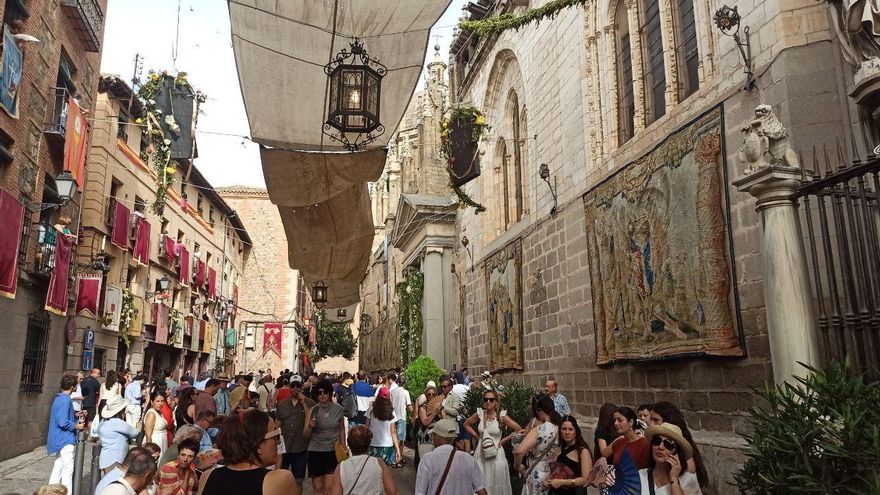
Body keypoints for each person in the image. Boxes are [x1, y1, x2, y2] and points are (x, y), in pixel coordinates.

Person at [198, 410, 297, 495]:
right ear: (257, 444)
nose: (278, 441)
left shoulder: (207, 477)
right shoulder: (280, 480)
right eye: (275, 435)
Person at [464, 388, 522, 495]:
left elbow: (518, 429)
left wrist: (504, 440)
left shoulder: (501, 416)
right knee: (481, 481)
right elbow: (466, 424)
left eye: (491, 399)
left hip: (496, 453)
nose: (488, 402)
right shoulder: (480, 414)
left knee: (497, 481)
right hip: (481, 453)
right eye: (485, 399)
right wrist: (477, 436)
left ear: (496, 402)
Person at [415, 418, 487, 495]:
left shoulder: (427, 459)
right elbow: (482, 491)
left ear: (437, 436)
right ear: (453, 439)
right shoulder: (468, 458)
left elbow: (420, 492)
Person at [326, 425, 398, 495]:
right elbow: (392, 492)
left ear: (349, 445)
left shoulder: (341, 467)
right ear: (368, 444)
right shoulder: (378, 463)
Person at [305, 380, 347, 494]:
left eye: (325, 392)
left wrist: (344, 446)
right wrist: (310, 426)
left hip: (332, 451)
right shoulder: (313, 410)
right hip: (316, 451)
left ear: (329, 393)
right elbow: (306, 435)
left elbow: (341, 429)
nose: (322, 395)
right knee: (318, 488)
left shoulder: (338, 409)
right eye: (319, 393)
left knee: (330, 488)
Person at [515, 394, 561, 495]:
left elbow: (519, 451)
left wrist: (517, 466)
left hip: (537, 472)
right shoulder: (560, 427)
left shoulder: (539, 430)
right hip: (554, 473)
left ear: (540, 411)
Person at [639, 423, 702, 495]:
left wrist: (674, 479)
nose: (660, 447)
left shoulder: (688, 479)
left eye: (668, 444)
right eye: (657, 441)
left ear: (677, 452)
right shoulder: (640, 476)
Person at [276, 374, 313, 491]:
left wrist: (304, 403)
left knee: (298, 480)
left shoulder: (310, 403)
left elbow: (310, 418)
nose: (296, 388)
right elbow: (278, 424)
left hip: (300, 447)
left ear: (302, 386)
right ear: (290, 387)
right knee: (282, 480)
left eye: (298, 385)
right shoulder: (282, 404)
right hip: (285, 447)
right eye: (293, 386)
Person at [48, 375, 84, 492]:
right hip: (65, 438)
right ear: (73, 387)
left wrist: (75, 414)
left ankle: (50, 491)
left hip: (58, 438)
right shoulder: (66, 400)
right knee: (68, 469)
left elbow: (63, 417)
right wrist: (76, 426)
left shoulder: (58, 398)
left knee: (58, 465)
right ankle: (67, 492)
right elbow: (63, 421)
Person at [544, 415, 591, 494]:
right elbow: (555, 473)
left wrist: (562, 482)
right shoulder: (557, 449)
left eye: (570, 429)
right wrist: (548, 480)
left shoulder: (583, 452)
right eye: (564, 429)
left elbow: (586, 479)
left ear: (576, 431)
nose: (567, 432)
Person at [98, 396, 138, 474]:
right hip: (115, 459)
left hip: (106, 457)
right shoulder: (117, 422)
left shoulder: (103, 421)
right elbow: (134, 433)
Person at [365, 387, 400, 466]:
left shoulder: (371, 409)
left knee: (373, 470)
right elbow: (393, 432)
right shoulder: (391, 411)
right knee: (385, 470)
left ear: (378, 396)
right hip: (387, 445)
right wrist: (397, 448)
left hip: (373, 443)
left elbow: (366, 427)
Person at [415, 384, 441, 462]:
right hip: (426, 439)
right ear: (425, 396)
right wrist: (435, 412)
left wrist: (440, 411)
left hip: (437, 438)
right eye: (429, 394)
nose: (431, 396)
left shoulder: (439, 406)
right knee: (426, 461)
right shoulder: (422, 407)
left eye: (434, 394)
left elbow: (445, 420)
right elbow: (425, 423)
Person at [144, 391, 169, 456]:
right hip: (155, 442)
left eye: (162, 401)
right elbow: (148, 436)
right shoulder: (151, 414)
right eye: (158, 401)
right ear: (152, 402)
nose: (160, 403)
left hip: (162, 442)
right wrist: (150, 451)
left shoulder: (159, 412)